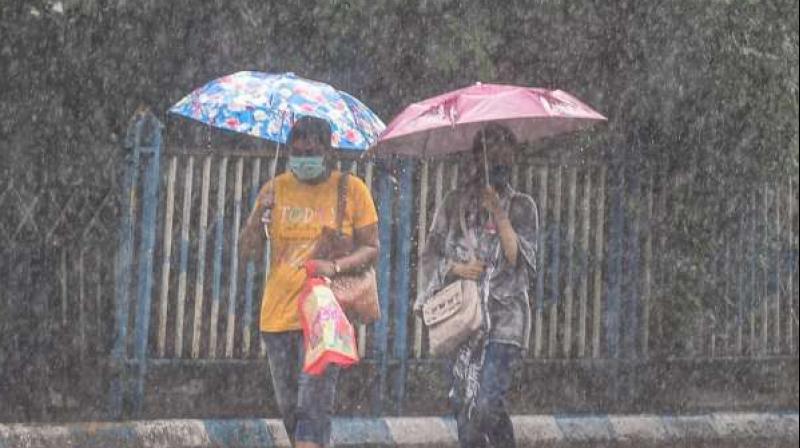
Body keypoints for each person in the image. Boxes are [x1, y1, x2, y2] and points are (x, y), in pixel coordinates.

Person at [239, 116, 379, 448]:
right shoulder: (275, 189)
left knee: (312, 410)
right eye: (298, 151)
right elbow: (247, 253)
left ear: (328, 152)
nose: (304, 158)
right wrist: (259, 212)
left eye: (311, 151)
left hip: (323, 316)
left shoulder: (352, 189)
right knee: (291, 413)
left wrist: (333, 265)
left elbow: (372, 249)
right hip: (276, 318)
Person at [415, 124, 538, 448]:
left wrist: (497, 210)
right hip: (463, 322)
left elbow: (516, 259)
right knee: (464, 409)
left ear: (513, 156)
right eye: (490, 150)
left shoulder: (523, 206)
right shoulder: (453, 204)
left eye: (504, 150)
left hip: (504, 321)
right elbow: (431, 255)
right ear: (477, 157)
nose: (498, 157)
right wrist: (457, 268)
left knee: (486, 404)